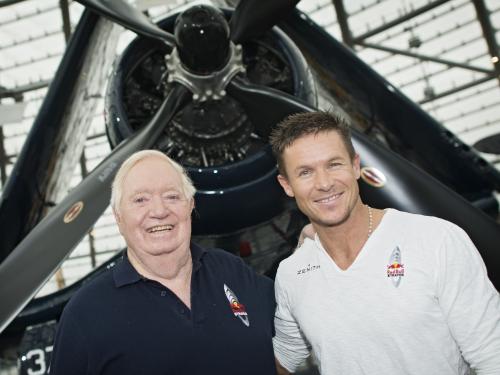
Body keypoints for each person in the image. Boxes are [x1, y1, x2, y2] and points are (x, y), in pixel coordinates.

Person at [268, 111, 500, 375]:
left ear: (356, 166)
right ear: (286, 185)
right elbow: (284, 356)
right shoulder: (291, 274)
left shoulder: (436, 240)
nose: (324, 183)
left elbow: (492, 354)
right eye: (305, 172)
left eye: (334, 164)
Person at [50, 150, 276, 375]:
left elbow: (294, 316)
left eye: (172, 196)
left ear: (191, 206)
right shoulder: (85, 313)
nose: (159, 211)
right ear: (119, 217)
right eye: (140, 200)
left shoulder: (230, 269)